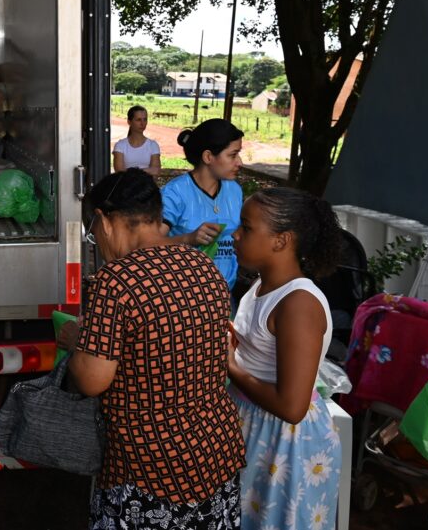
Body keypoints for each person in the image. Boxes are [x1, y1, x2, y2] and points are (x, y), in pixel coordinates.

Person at [65, 169, 245, 529]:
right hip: (215, 451)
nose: (97, 241)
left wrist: (76, 339)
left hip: (149, 467)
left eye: (93, 232)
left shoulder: (116, 281)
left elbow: (92, 381)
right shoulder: (205, 268)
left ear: (104, 220)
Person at [228, 188, 344, 530]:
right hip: (256, 425)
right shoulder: (263, 285)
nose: (235, 234)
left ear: (282, 240)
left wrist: (229, 366)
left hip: (284, 442)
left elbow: (292, 406)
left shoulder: (298, 304)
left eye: (246, 228)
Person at [161, 119, 244, 291]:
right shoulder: (174, 193)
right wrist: (188, 239)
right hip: (183, 295)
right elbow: (148, 244)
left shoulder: (234, 191)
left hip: (225, 294)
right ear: (208, 157)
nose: (240, 162)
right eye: (232, 155)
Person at [113, 105, 161, 175]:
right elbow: (120, 173)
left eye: (145, 119)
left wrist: (129, 171)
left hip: (146, 185)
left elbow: (156, 171)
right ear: (129, 122)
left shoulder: (153, 145)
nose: (142, 123)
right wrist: (147, 170)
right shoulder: (120, 145)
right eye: (138, 120)